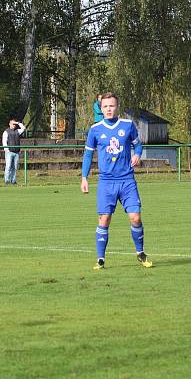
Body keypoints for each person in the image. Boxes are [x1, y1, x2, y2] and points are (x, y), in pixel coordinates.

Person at [81, 92, 152, 270]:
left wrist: (137, 154)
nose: (108, 109)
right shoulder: (95, 129)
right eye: (105, 106)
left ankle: (140, 253)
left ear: (117, 106)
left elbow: (138, 144)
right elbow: (88, 154)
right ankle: (100, 259)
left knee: (135, 218)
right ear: (101, 108)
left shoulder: (128, 125)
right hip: (106, 182)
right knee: (104, 220)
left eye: (111, 106)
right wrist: (84, 177)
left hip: (127, 180)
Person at [2, 118, 25, 184]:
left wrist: (18, 123)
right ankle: (6, 180)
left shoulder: (17, 131)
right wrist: (6, 150)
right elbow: (4, 141)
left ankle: (13, 180)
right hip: (9, 152)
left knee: (14, 167)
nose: (14, 125)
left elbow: (23, 128)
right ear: (9, 124)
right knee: (8, 166)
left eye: (14, 124)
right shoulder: (6, 132)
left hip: (16, 152)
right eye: (13, 124)